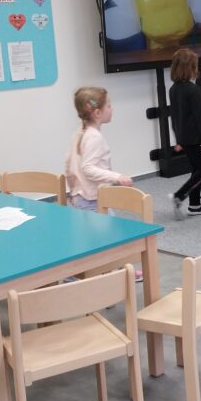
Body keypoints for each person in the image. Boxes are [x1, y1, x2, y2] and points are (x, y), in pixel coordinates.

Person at [65, 86, 141, 281]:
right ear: (97, 113)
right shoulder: (94, 138)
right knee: (111, 236)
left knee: (101, 236)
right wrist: (117, 177)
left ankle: (122, 269)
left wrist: (73, 188)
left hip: (81, 196)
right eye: (109, 105)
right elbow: (88, 168)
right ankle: (74, 276)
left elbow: (70, 164)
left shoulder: (79, 133)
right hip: (91, 199)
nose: (112, 108)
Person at [168, 48, 201, 220]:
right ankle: (179, 196)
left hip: (184, 137)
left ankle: (195, 205)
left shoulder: (173, 89)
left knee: (197, 168)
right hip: (196, 138)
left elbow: (174, 116)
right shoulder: (193, 90)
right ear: (191, 68)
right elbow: (200, 117)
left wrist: (178, 138)